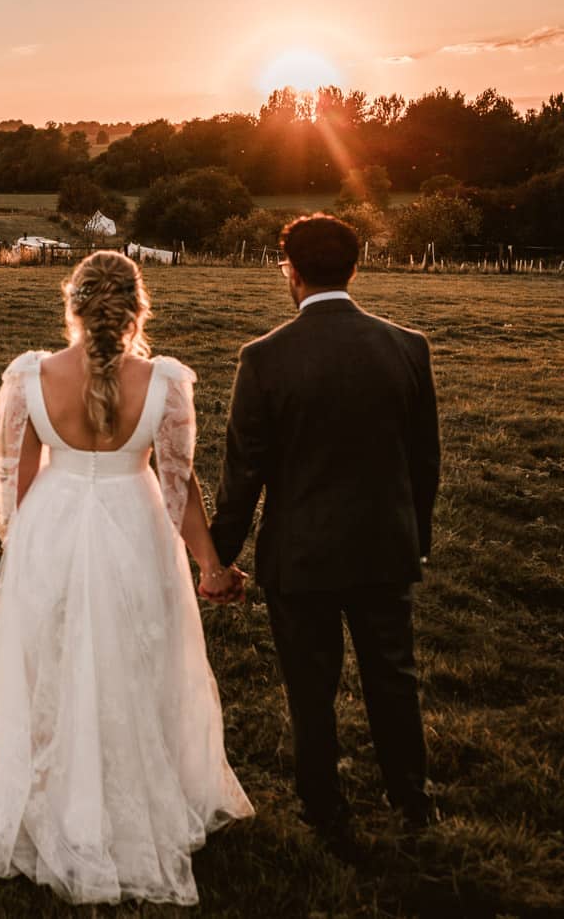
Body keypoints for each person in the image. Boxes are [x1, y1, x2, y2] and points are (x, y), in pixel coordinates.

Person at [0, 250, 252, 906]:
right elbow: (179, 486)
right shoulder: (166, 382)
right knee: (137, 664)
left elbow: (16, 476)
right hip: (136, 529)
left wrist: (28, 544)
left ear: (73, 301)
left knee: (57, 667)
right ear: (136, 306)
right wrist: (210, 566)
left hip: (54, 529)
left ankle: (59, 799)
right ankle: (131, 798)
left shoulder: (30, 376)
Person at [209, 213, 440, 855]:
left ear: (293, 270)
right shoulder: (407, 346)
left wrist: (215, 560)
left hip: (300, 555)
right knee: (393, 674)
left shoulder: (263, 358)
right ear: (354, 267)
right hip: (384, 547)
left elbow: (242, 474)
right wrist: (413, 538)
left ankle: (325, 808)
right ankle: (412, 799)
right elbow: (426, 461)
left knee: (310, 687)